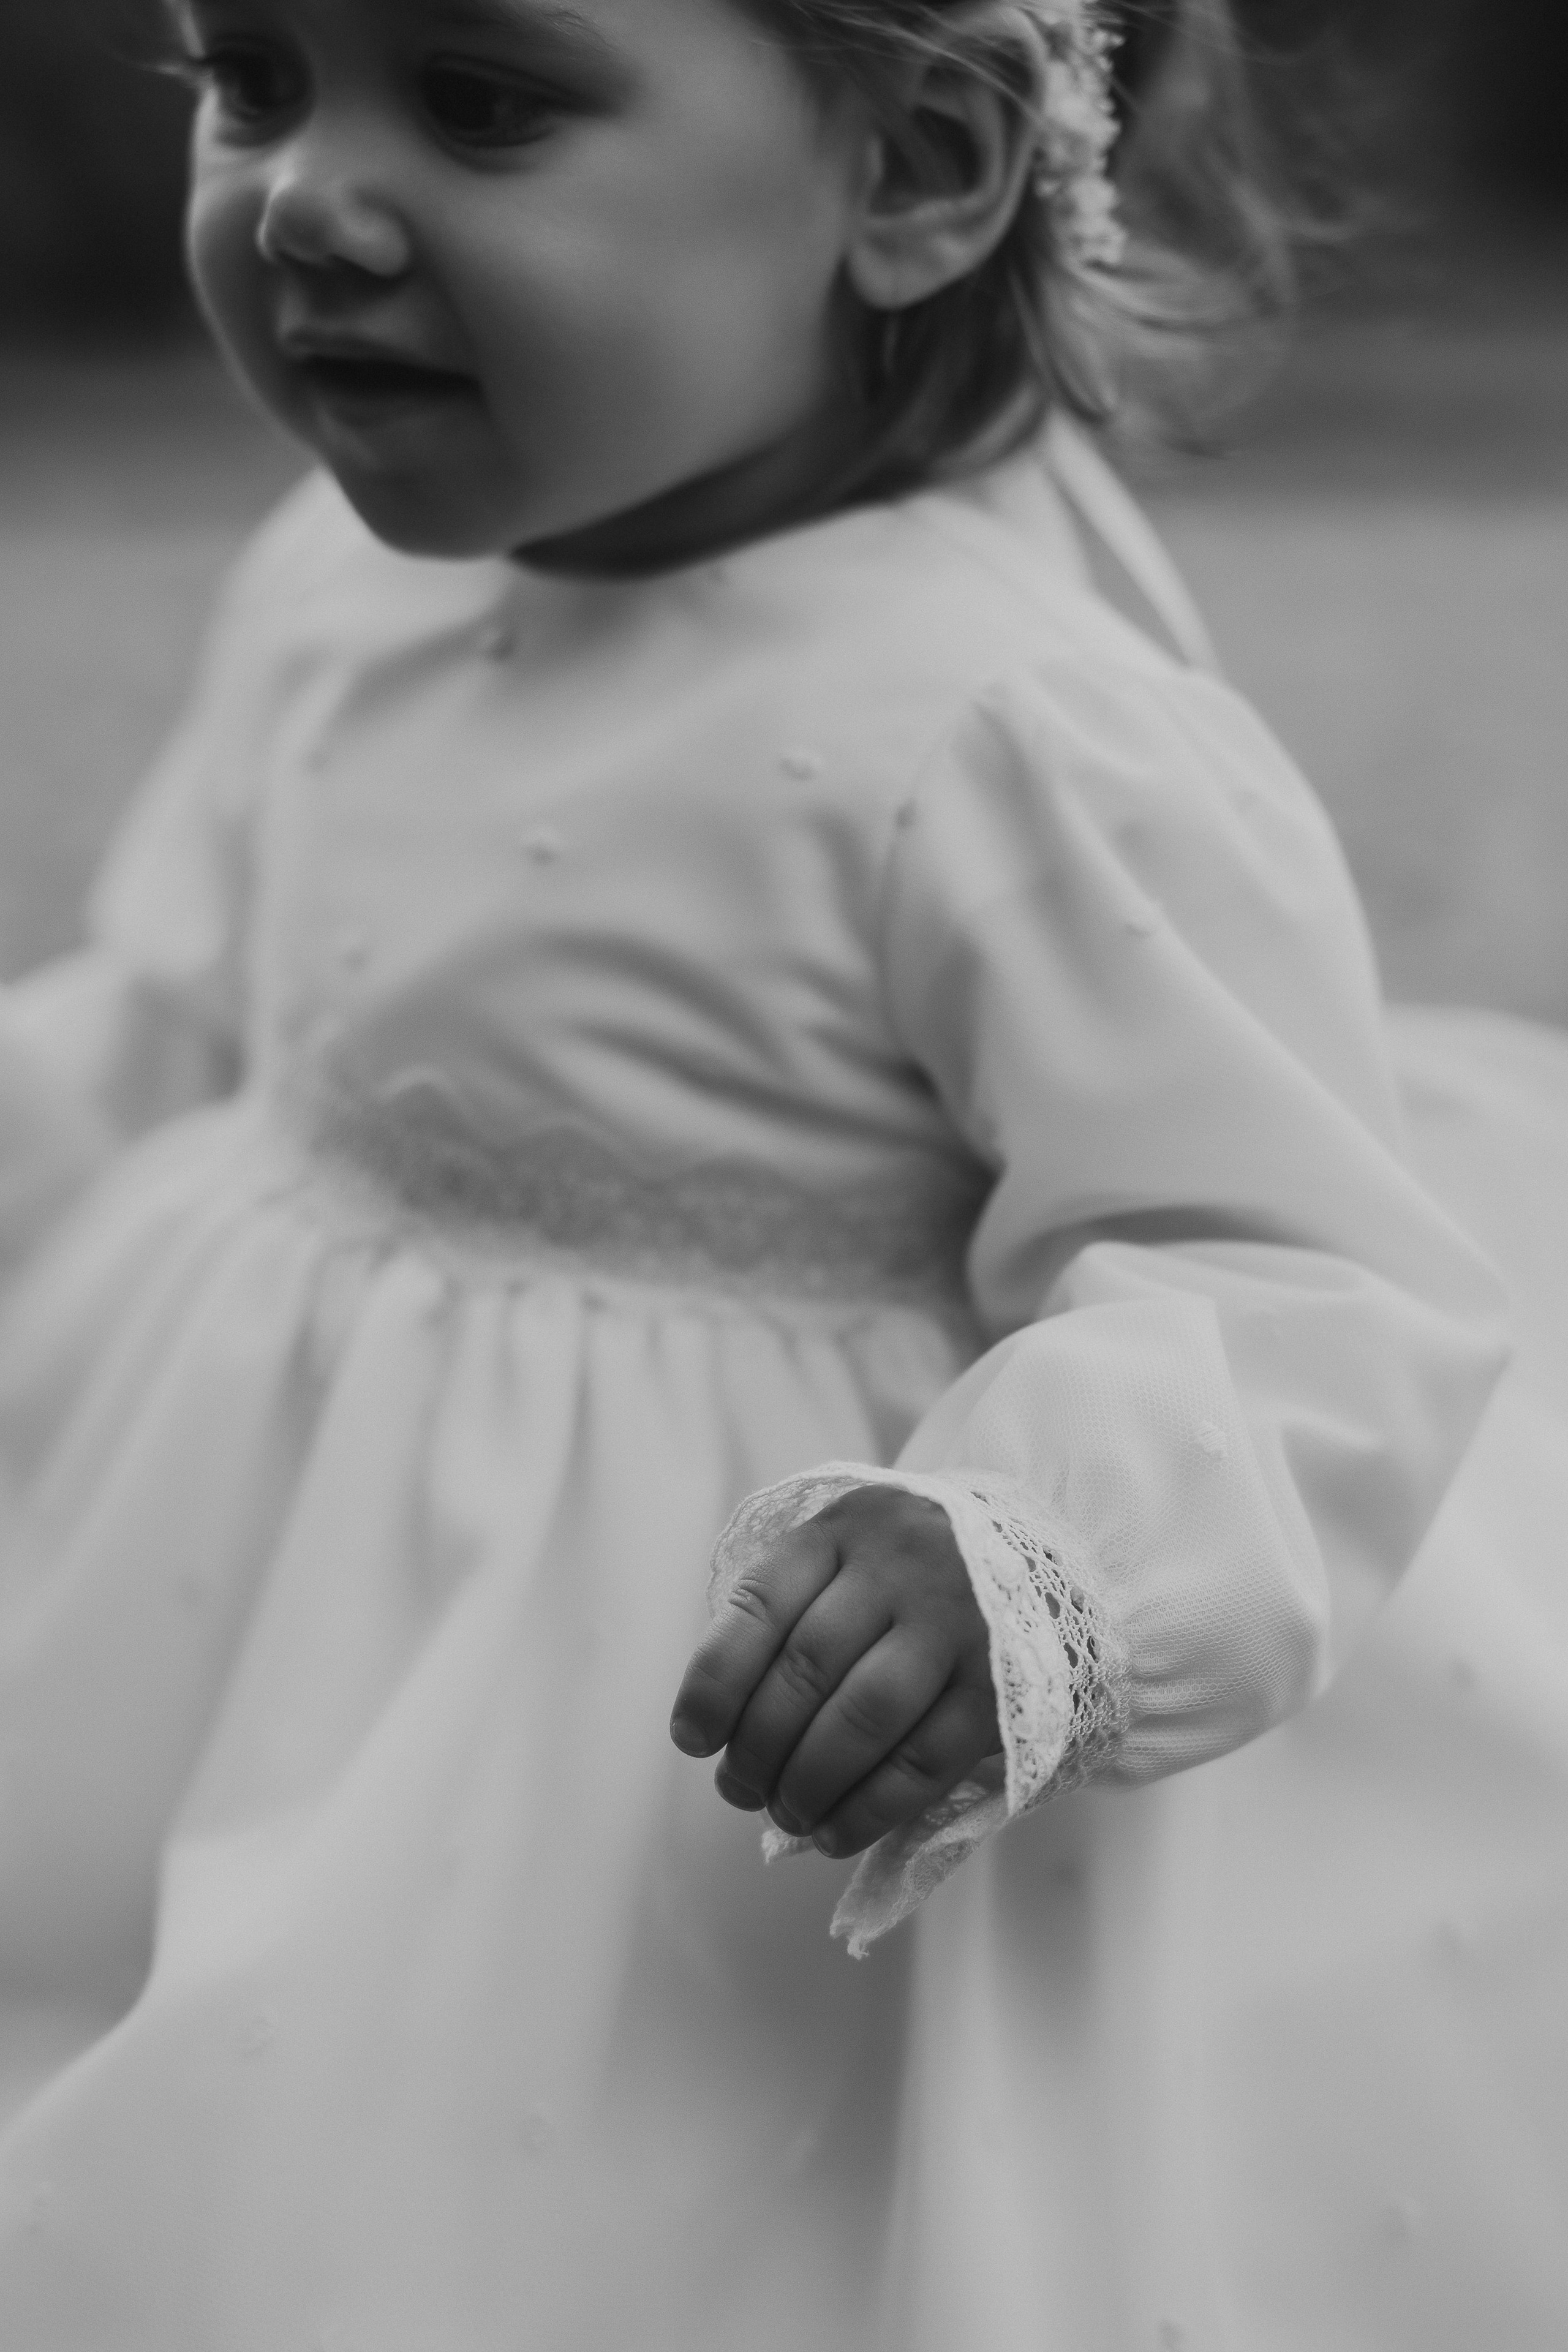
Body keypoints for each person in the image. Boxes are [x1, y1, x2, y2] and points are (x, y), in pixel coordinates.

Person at [0, 0, 1563, 2343]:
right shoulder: (339, 578)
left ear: (918, 170)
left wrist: (1030, 1548)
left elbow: (1287, 1264)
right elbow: (194, 1000)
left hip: (695, 1730)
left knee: (564, 2212)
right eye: (253, 78)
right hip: (247, 1569)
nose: (305, 196)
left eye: (485, 100)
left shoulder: (1003, 726)